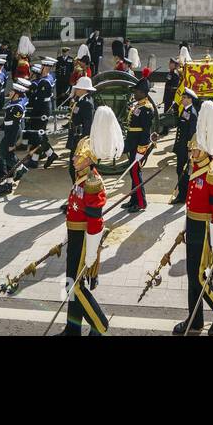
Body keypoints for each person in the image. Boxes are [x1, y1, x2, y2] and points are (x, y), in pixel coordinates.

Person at [173, 100, 213, 336]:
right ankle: (195, 319)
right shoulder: (198, 168)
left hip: (207, 229)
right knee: (191, 275)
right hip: (194, 226)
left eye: (194, 150)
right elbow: (191, 203)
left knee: (199, 276)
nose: (191, 153)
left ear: (204, 150)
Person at [62, 106, 122, 336]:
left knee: (76, 284)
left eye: (79, 156)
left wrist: (91, 252)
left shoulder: (92, 182)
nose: (74, 158)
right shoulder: (80, 177)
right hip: (75, 235)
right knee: (70, 283)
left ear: (89, 160)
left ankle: (99, 324)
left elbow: (95, 222)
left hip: (85, 239)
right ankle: (72, 327)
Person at [123, 76, 156, 212]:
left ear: (142, 93)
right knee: (133, 173)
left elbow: (145, 132)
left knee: (136, 174)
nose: (134, 94)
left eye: (136, 92)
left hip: (139, 146)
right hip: (133, 144)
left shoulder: (146, 108)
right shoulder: (139, 105)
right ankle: (133, 199)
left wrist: (141, 151)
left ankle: (141, 202)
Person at [170, 87, 200, 204]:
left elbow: (192, 133)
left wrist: (189, 149)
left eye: (184, 98)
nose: (182, 99)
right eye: (182, 97)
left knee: (182, 171)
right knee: (180, 171)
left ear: (190, 99)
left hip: (185, 148)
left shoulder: (191, 113)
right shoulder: (185, 110)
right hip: (181, 146)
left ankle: (183, 195)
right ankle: (183, 194)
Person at [64, 75, 96, 180]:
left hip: (80, 140)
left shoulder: (86, 103)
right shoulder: (81, 100)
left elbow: (88, 125)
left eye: (78, 88)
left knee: (75, 169)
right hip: (76, 137)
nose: (76, 89)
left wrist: (83, 143)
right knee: (74, 169)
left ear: (83, 89)